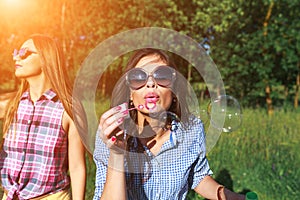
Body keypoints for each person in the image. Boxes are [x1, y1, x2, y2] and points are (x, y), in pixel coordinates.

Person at [93, 48, 245, 200]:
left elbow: (197, 176)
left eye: (162, 76)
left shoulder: (191, 129)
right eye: (139, 77)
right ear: (130, 93)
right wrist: (117, 153)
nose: (151, 83)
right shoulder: (112, 134)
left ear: (173, 91)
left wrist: (235, 198)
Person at [0, 34, 86, 200]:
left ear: (46, 59)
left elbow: (76, 167)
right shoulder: (11, 104)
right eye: (16, 52)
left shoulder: (69, 108)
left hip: (52, 196)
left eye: (24, 52)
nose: (17, 57)